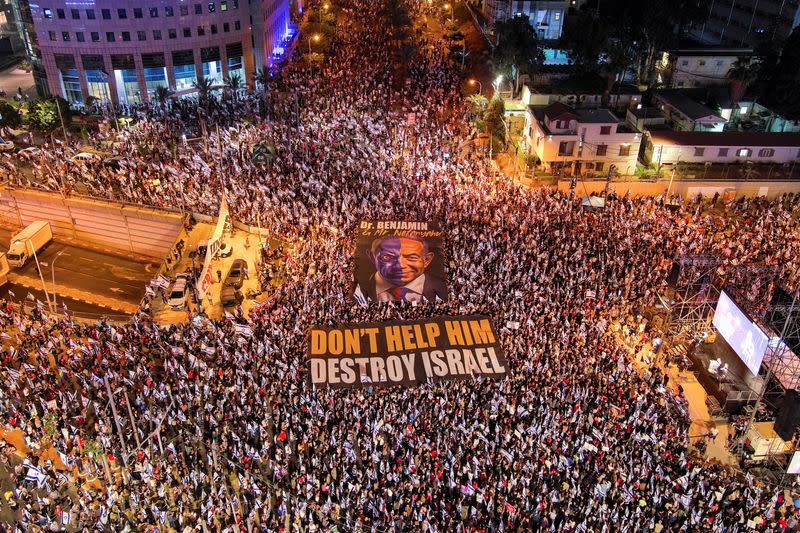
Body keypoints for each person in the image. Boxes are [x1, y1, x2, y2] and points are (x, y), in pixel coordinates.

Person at [357, 235, 446, 302]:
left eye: (411, 257)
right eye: (388, 257)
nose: (401, 265)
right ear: (373, 258)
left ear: (426, 260)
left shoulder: (443, 289)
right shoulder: (357, 291)